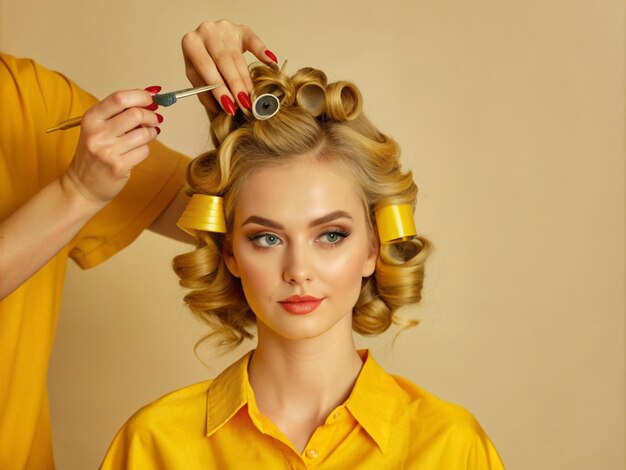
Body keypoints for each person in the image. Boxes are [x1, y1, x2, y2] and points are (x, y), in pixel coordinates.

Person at [99, 59, 505, 468]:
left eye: (331, 235)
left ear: (372, 248)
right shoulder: (154, 445)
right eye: (267, 238)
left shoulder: (451, 447)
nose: (298, 270)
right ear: (230, 253)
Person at [0, 20, 277, 469]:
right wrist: (77, 192)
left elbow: (230, 218)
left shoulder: (27, 99)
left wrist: (237, 123)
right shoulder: (151, 441)